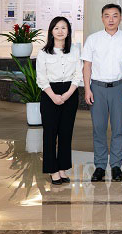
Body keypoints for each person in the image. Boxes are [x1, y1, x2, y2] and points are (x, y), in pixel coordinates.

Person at [81, 3, 122, 182]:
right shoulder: (93, 39)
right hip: (97, 88)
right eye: (107, 16)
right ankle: (99, 166)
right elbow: (87, 66)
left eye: (115, 16)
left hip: (120, 87)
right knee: (98, 128)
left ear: (121, 18)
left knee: (118, 129)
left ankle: (116, 166)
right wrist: (87, 89)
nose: (111, 19)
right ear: (102, 18)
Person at [36, 16, 82, 185]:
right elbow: (41, 78)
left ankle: (62, 168)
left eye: (63, 28)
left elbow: (78, 74)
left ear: (68, 31)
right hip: (49, 94)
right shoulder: (43, 53)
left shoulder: (75, 50)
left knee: (65, 133)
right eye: (56, 28)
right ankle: (52, 170)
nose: (60, 31)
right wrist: (54, 96)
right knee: (50, 134)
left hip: (70, 93)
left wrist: (68, 94)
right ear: (51, 31)